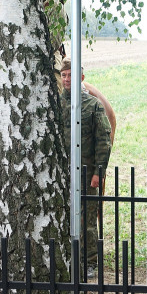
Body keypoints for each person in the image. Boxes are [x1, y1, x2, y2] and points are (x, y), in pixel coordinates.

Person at [60, 56, 113, 267]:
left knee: (88, 219)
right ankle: (68, 258)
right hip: (63, 173)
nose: (66, 79)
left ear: (81, 77)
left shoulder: (93, 105)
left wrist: (98, 173)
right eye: (63, 75)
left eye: (70, 75)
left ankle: (89, 261)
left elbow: (103, 141)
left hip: (86, 171)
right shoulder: (56, 104)